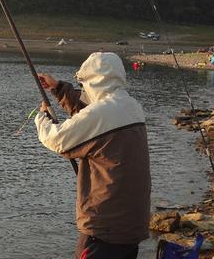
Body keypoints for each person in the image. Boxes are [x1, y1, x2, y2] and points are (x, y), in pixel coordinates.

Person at [35, 52, 151, 259]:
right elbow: (91, 115)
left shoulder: (102, 114)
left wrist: (42, 118)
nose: (84, 89)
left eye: (85, 83)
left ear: (94, 81)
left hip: (105, 228)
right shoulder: (132, 106)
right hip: (132, 226)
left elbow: (58, 140)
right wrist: (58, 88)